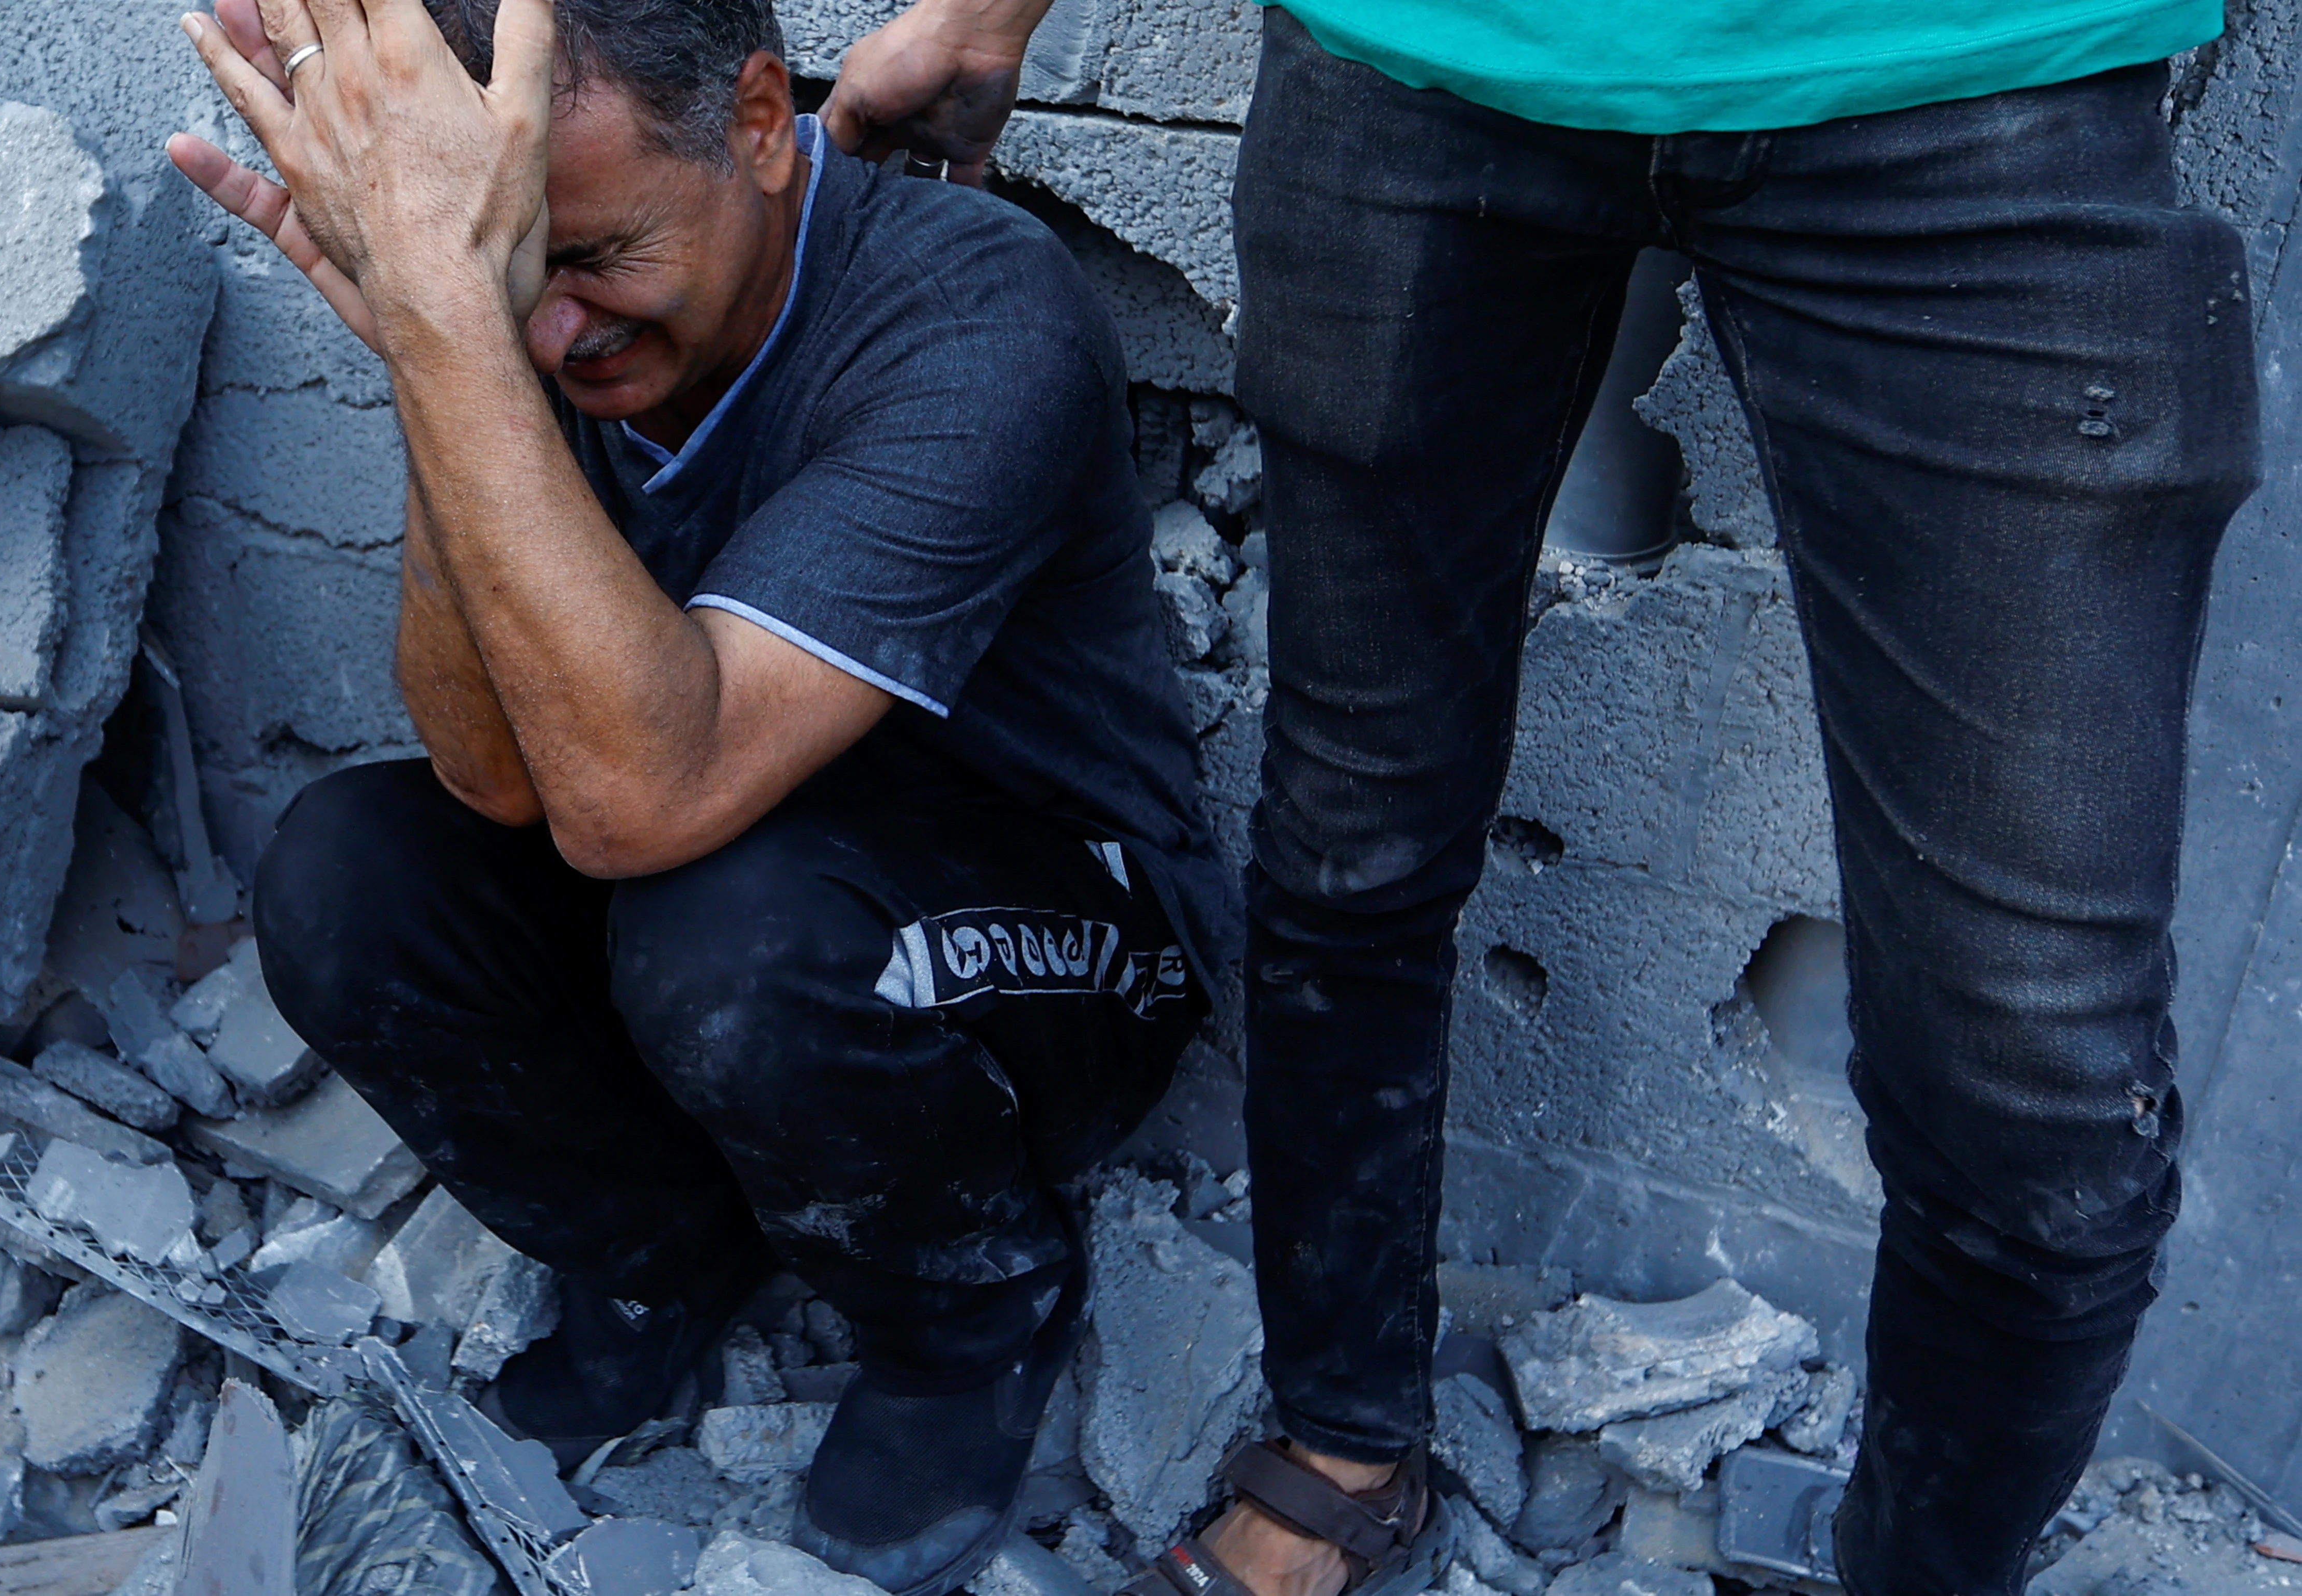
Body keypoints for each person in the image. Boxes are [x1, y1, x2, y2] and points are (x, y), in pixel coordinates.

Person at [823, 0, 2260, 1591]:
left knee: (2038, 1095)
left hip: (1982, 75)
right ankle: (1344, 1441)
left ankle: (1917, 1566)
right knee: (1350, 848)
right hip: (1424, 60)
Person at [168, 0, 1238, 1590]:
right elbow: (490, 776)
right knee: (345, 873)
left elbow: (629, 808)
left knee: (723, 925)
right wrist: (435, 341)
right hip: (727, 880)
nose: (551, 331)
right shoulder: (528, 328)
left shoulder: (973, 313)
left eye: (590, 255)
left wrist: (457, 321)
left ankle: (968, 1310)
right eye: (508, 276)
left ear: (755, 119)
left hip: (1050, 943)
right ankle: (669, 1259)